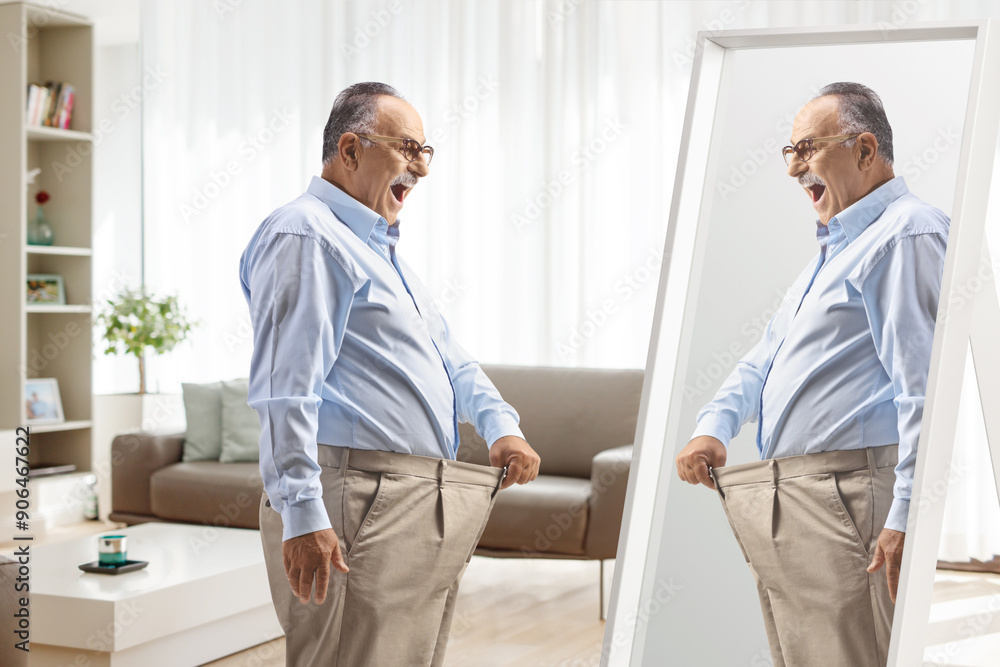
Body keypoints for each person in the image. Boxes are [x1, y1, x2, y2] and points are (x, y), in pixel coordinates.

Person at [239, 82, 540, 667]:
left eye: (427, 151)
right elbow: (286, 388)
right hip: (355, 495)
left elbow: (450, 356)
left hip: (410, 496)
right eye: (408, 148)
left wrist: (501, 425)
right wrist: (302, 515)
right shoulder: (307, 236)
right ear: (349, 150)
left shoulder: (376, 249)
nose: (422, 168)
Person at [675, 82, 948, 666]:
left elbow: (924, 391)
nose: (794, 167)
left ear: (866, 150)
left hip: (848, 495)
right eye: (789, 151)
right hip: (796, 496)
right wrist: (713, 425)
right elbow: (766, 356)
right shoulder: (837, 247)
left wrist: (905, 516)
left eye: (808, 148)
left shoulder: (905, 234)